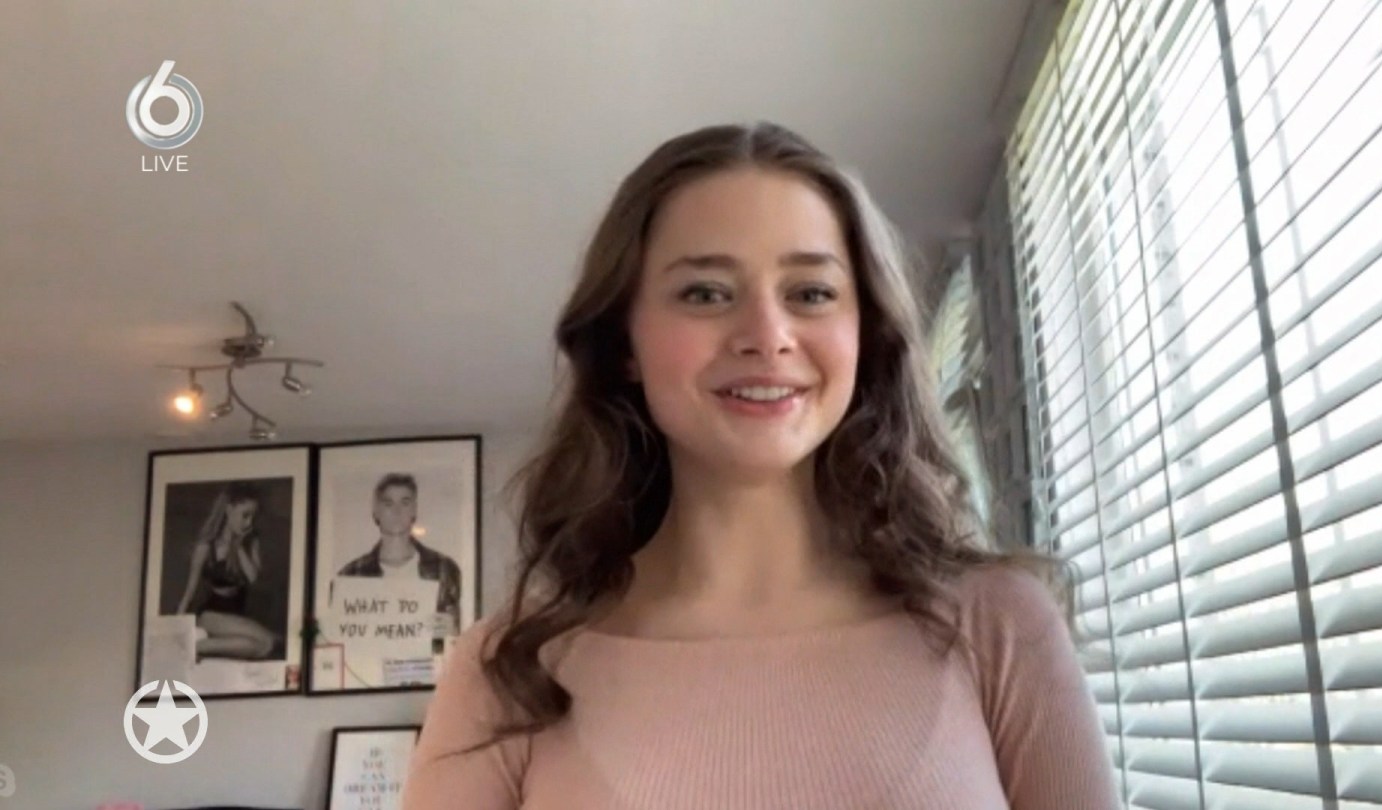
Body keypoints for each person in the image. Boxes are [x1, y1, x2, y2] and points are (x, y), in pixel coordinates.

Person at [402, 122, 1116, 809]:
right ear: (624, 343)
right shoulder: (507, 673)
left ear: (865, 334)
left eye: (811, 294)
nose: (768, 336)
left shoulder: (1000, 627)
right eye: (706, 294)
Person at [335, 473, 462, 654]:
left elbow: (456, 643)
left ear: (414, 510)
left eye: (405, 503)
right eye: (388, 504)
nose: (397, 511)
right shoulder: (350, 575)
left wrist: (452, 632)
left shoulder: (445, 568)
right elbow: (342, 644)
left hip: (428, 669)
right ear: (376, 511)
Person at [174, 482, 281, 661]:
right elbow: (189, 592)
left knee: (266, 645)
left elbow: (253, 578)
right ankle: (188, 646)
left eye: (253, 517)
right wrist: (175, 630)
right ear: (229, 510)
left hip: (236, 614)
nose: (249, 523)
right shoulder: (207, 547)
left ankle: (198, 647)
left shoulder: (250, 542)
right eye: (245, 515)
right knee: (269, 642)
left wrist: (238, 547)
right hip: (211, 615)